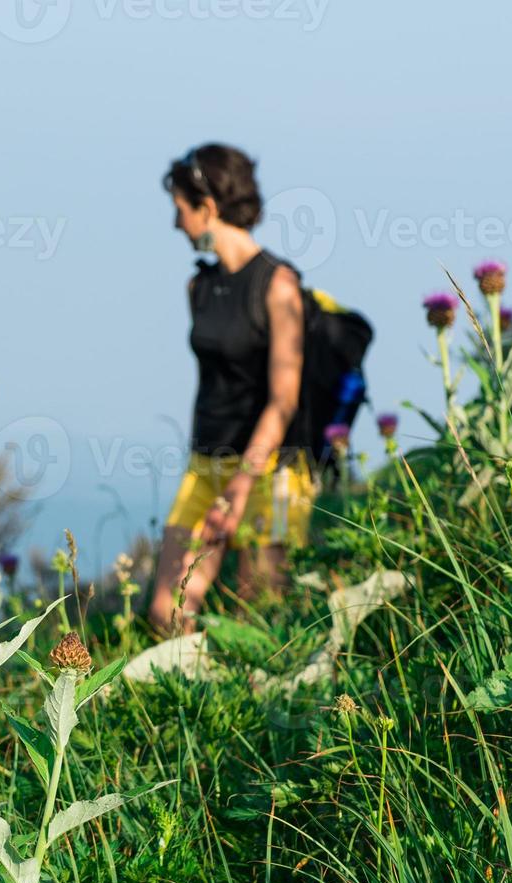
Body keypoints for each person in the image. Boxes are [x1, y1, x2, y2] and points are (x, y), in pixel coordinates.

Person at [147, 143, 315, 634]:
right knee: (167, 613)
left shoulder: (279, 286)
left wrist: (243, 480)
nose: (177, 224)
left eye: (180, 209)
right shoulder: (197, 287)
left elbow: (284, 400)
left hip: (271, 469)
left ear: (208, 207)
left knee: (257, 617)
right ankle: (190, 704)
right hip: (205, 463)